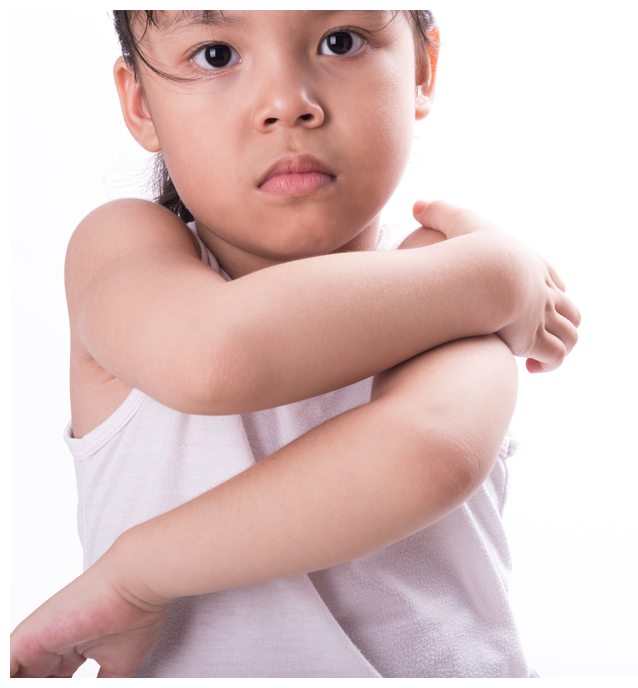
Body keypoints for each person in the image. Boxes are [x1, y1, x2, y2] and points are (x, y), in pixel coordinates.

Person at [9, 10, 580, 678]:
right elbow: (214, 359)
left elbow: (426, 455)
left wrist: (138, 574)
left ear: (422, 70)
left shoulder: (443, 270)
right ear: (141, 103)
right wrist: (500, 276)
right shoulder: (125, 255)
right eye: (216, 54)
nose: (287, 104)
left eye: (340, 41)